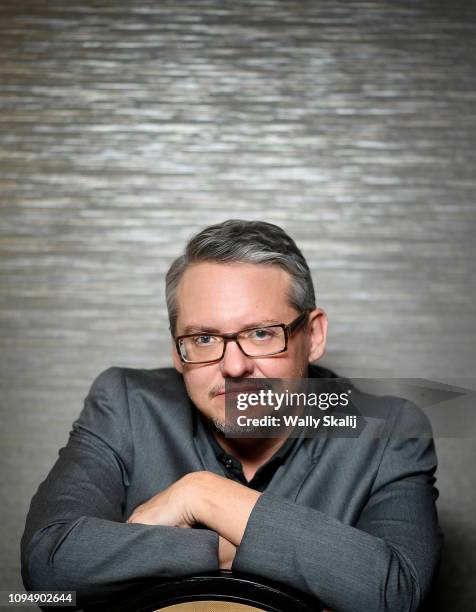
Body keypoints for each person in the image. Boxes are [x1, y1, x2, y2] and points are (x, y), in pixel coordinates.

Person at [21, 219, 442, 612]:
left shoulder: (388, 433)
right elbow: (50, 571)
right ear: (177, 353)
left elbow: (395, 593)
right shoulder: (125, 404)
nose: (235, 367)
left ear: (312, 337)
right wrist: (226, 546)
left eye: (261, 334)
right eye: (203, 338)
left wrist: (201, 495)